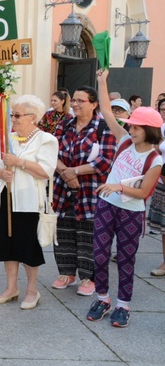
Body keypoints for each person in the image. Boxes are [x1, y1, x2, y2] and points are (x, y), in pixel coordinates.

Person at [85, 70, 163, 327]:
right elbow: (107, 112)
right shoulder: (124, 142)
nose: (130, 127)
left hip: (130, 211)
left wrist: (117, 186)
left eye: (136, 126)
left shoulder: (155, 159)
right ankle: (103, 299)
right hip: (107, 206)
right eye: (130, 124)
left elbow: (143, 193)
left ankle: (123, 305)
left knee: (127, 259)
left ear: (150, 131)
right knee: (99, 255)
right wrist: (102, 81)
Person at [0, 95, 59, 309]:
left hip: (28, 201)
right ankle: (11, 288)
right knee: (7, 245)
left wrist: (19, 162)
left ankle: (32, 290)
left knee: (27, 246)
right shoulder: (7, 139)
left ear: (33, 117)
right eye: (12, 115)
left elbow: (46, 170)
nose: (14, 119)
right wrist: (0, 172)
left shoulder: (45, 139)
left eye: (17, 115)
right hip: (4, 198)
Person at [52, 86, 116, 297]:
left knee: (90, 234)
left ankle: (89, 278)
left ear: (94, 104)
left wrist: (74, 172)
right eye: (75, 100)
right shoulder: (65, 124)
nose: (76, 104)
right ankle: (67, 273)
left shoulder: (103, 127)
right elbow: (52, 152)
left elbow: (105, 160)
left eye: (82, 101)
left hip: (91, 191)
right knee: (64, 230)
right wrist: (65, 173)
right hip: (63, 188)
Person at [147, 98, 165, 277]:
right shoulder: (161, 129)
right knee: (164, 227)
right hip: (162, 182)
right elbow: (157, 153)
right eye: (162, 108)